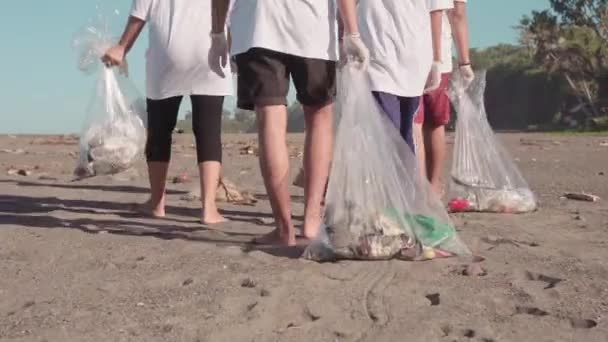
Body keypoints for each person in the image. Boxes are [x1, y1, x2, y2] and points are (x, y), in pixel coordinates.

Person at [211, 0, 368, 246]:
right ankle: (311, 219)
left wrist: (218, 32)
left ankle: (284, 228)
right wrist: (352, 31)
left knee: (270, 123)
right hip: (313, 28)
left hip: (257, 25)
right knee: (319, 118)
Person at [102, 0, 233, 224]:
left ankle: (157, 203)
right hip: (211, 53)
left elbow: (139, 15)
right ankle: (208, 209)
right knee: (209, 132)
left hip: (167, 57)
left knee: (159, 130)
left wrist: (122, 47)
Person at [356, 1, 454, 154]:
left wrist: (436, 59)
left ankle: (405, 177)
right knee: (390, 134)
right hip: (377, 56)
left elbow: (436, 10)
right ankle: (397, 176)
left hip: (413, 60)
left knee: (404, 135)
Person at [413, 0, 475, 196]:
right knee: (434, 122)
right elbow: (457, 15)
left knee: (413, 122)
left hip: (402, 50)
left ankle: (417, 188)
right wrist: (464, 61)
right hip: (439, 58)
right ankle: (433, 185)